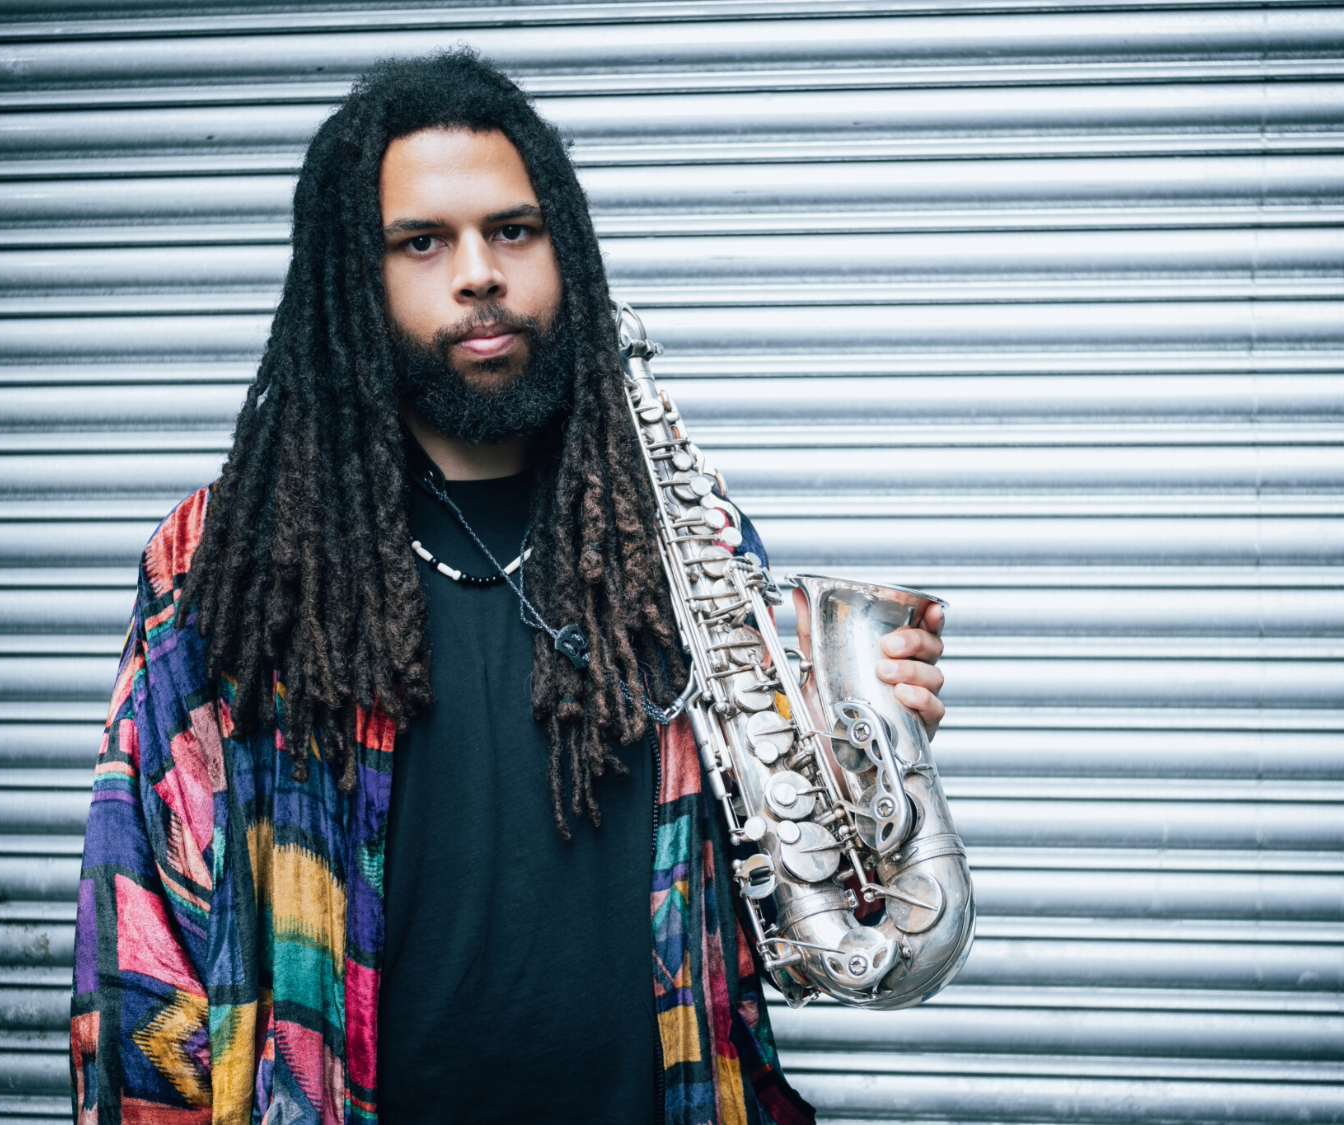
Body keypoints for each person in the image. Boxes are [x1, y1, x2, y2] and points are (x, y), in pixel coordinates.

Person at [69, 50, 946, 1125]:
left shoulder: (684, 542)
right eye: (422, 241)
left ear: (562, 249)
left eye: (512, 231)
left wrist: (855, 759)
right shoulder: (226, 563)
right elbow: (141, 943)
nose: (479, 272)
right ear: (356, 276)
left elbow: (814, 923)